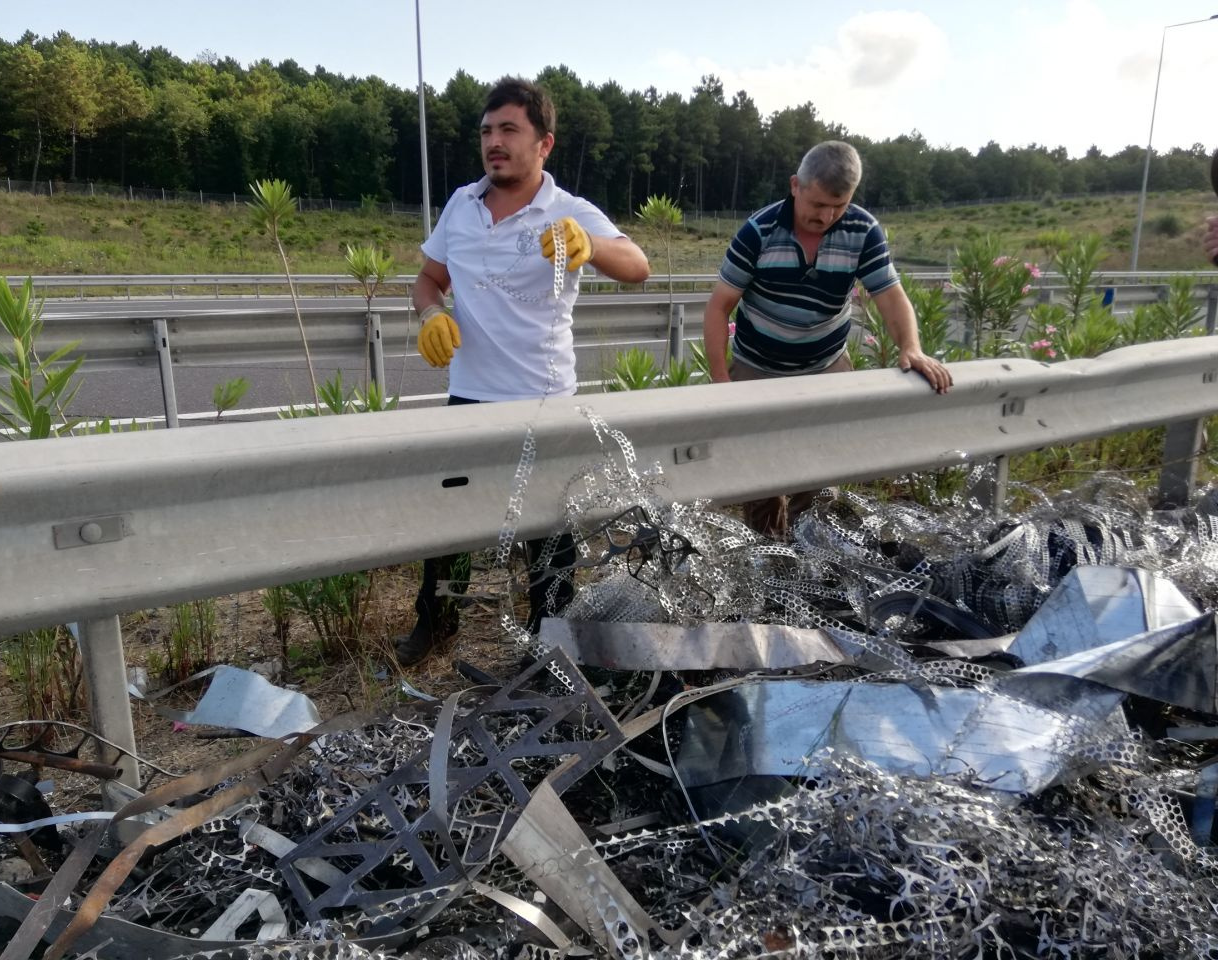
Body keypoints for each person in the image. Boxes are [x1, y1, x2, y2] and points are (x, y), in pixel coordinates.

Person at [395, 76, 651, 667]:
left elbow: (637, 266)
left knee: (549, 532)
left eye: (510, 130)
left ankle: (551, 641)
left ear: (544, 144)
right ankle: (435, 624)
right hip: (470, 394)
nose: (495, 142)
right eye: (487, 131)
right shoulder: (461, 204)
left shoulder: (566, 211)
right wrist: (432, 311)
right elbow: (428, 279)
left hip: (544, 399)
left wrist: (588, 242)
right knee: (450, 523)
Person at [702, 140, 952, 539]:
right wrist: (721, 383)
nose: (828, 216)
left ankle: (813, 559)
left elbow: (889, 295)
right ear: (795, 186)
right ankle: (771, 564)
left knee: (819, 477)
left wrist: (911, 347)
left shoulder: (862, 229)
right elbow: (719, 307)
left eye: (839, 206)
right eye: (818, 205)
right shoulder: (758, 231)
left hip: (826, 366)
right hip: (758, 365)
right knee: (760, 478)